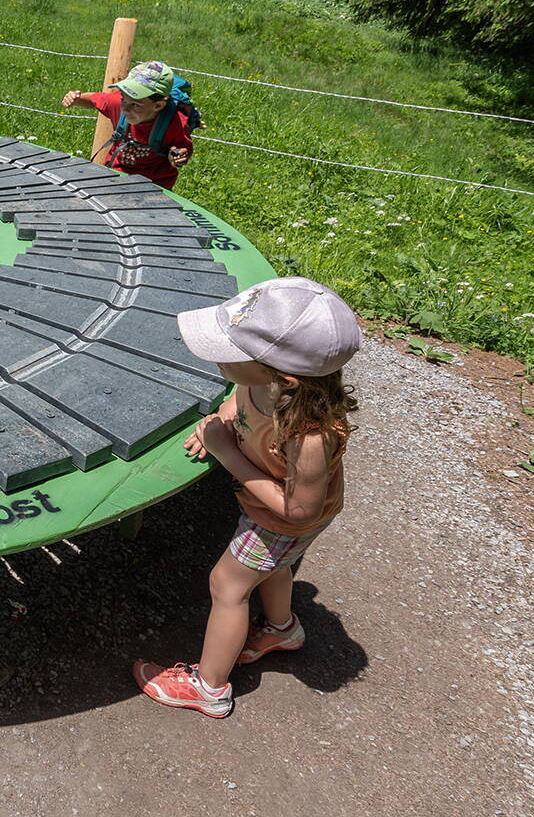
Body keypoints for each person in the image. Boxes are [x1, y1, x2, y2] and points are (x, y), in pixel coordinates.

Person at [133, 277, 362, 718]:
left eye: (229, 353)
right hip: (277, 517)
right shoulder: (265, 385)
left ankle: (209, 687)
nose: (218, 358)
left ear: (284, 377)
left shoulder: (308, 435)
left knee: (228, 586)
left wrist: (226, 453)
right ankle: (282, 629)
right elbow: (237, 405)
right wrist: (220, 423)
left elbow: (299, 508)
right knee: (275, 569)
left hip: (280, 520)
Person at [61, 60, 197, 189]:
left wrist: (177, 156)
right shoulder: (117, 103)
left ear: (158, 105)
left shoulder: (175, 122)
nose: (125, 108)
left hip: (156, 185)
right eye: (124, 100)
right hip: (116, 176)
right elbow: (94, 99)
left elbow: (182, 148)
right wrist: (77, 99)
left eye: (135, 105)